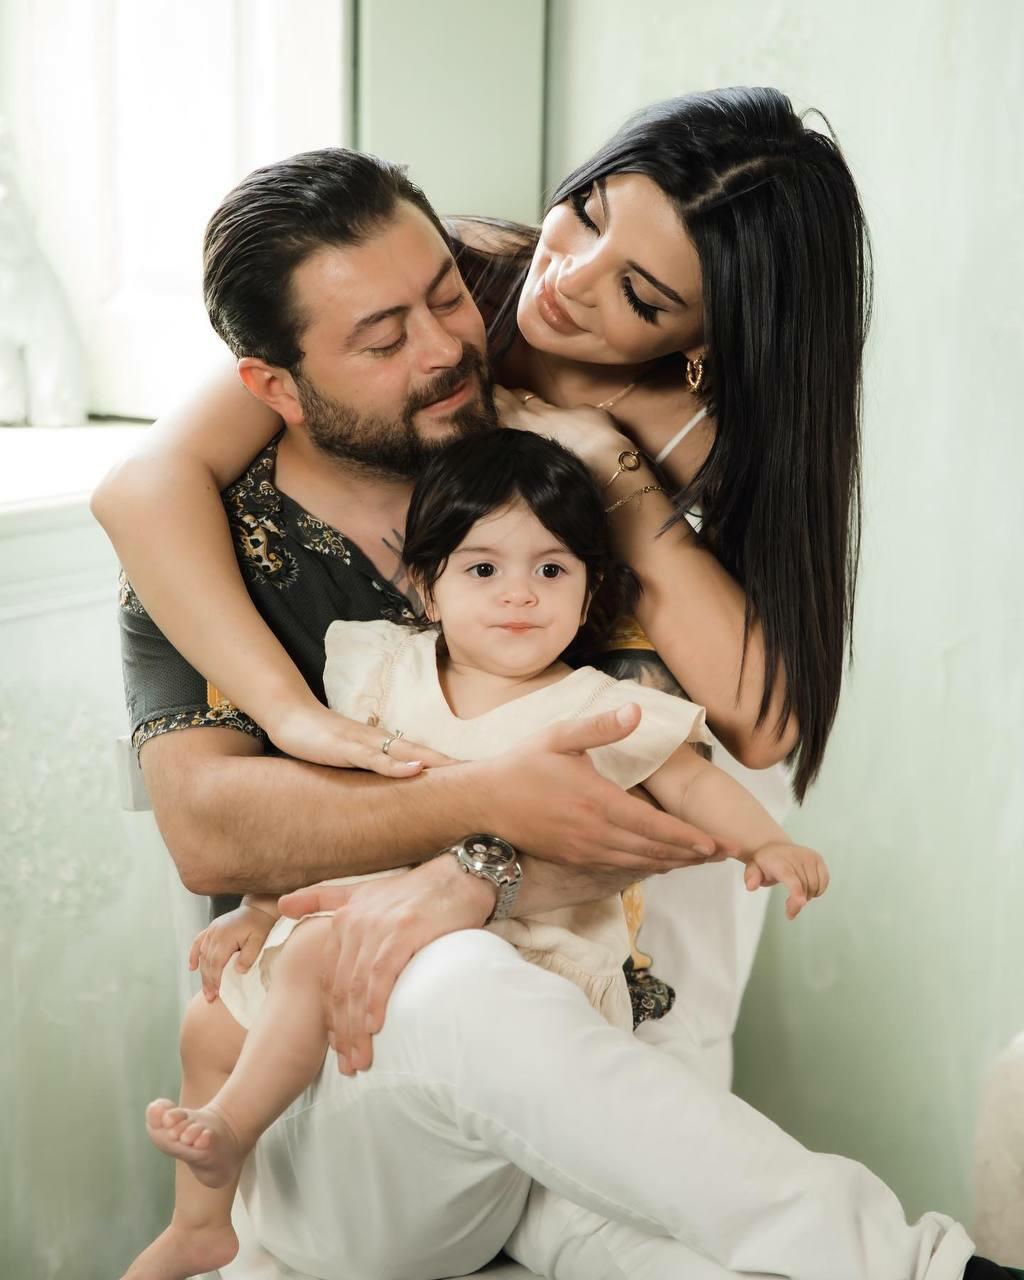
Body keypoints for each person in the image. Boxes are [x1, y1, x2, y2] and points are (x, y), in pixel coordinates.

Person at [95, 143, 1016, 1280]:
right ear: (275, 386)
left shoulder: (545, 514)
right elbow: (210, 830)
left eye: (446, 298)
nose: (446, 347)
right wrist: (468, 798)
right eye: (383, 340)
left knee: (699, 1251)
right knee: (452, 979)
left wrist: (612, 477)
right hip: (347, 1099)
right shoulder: (217, 547)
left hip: (554, 1094)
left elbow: (693, 762)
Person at [95, 86, 868, 1086]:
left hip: (614, 873)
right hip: (394, 858)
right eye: (585, 212)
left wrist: (611, 471)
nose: (567, 280)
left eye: (638, 295)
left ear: (704, 340)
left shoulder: (701, 434)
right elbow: (143, 486)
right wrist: (289, 712)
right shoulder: (452, 276)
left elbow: (762, 725)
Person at [123, 429, 829, 1280]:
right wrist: (260, 908)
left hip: (508, 959)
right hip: (365, 921)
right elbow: (326, 808)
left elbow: (690, 783)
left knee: (316, 952)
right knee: (209, 1020)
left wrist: (766, 842)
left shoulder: (595, 706)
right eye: (483, 568)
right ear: (428, 585)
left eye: (552, 570)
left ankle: (231, 1126)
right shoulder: (386, 673)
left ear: (590, 594)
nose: (519, 594)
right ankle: (202, 1222)